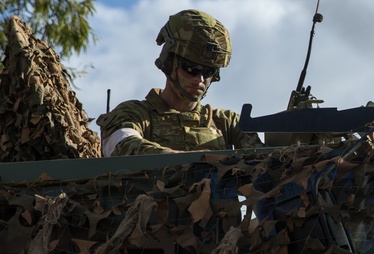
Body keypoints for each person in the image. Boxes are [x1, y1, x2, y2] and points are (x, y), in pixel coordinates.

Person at [97, 9, 261, 156]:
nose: (199, 79)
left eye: (208, 72)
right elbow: (121, 147)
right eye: (191, 68)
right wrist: (188, 160)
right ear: (169, 62)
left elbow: (264, 165)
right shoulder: (133, 114)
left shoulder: (226, 123)